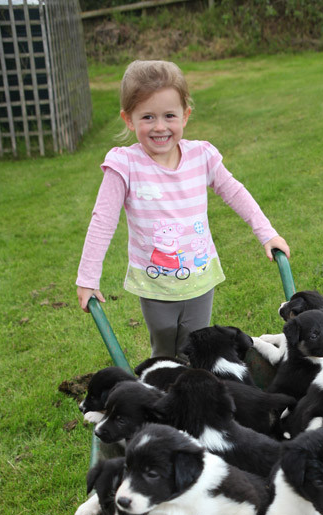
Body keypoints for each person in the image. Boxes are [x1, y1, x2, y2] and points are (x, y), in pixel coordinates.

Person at [76, 59, 290, 358]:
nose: (160, 127)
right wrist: (88, 278)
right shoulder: (125, 165)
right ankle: (163, 393)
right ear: (128, 119)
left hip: (201, 278)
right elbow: (103, 221)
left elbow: (235, 192)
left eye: (169, 116)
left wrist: (266, 233)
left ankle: (191, 396)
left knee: (195, 349)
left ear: (185, 115)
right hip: (155, 285)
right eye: (148, 117)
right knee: (164, 349)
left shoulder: (201, 156)